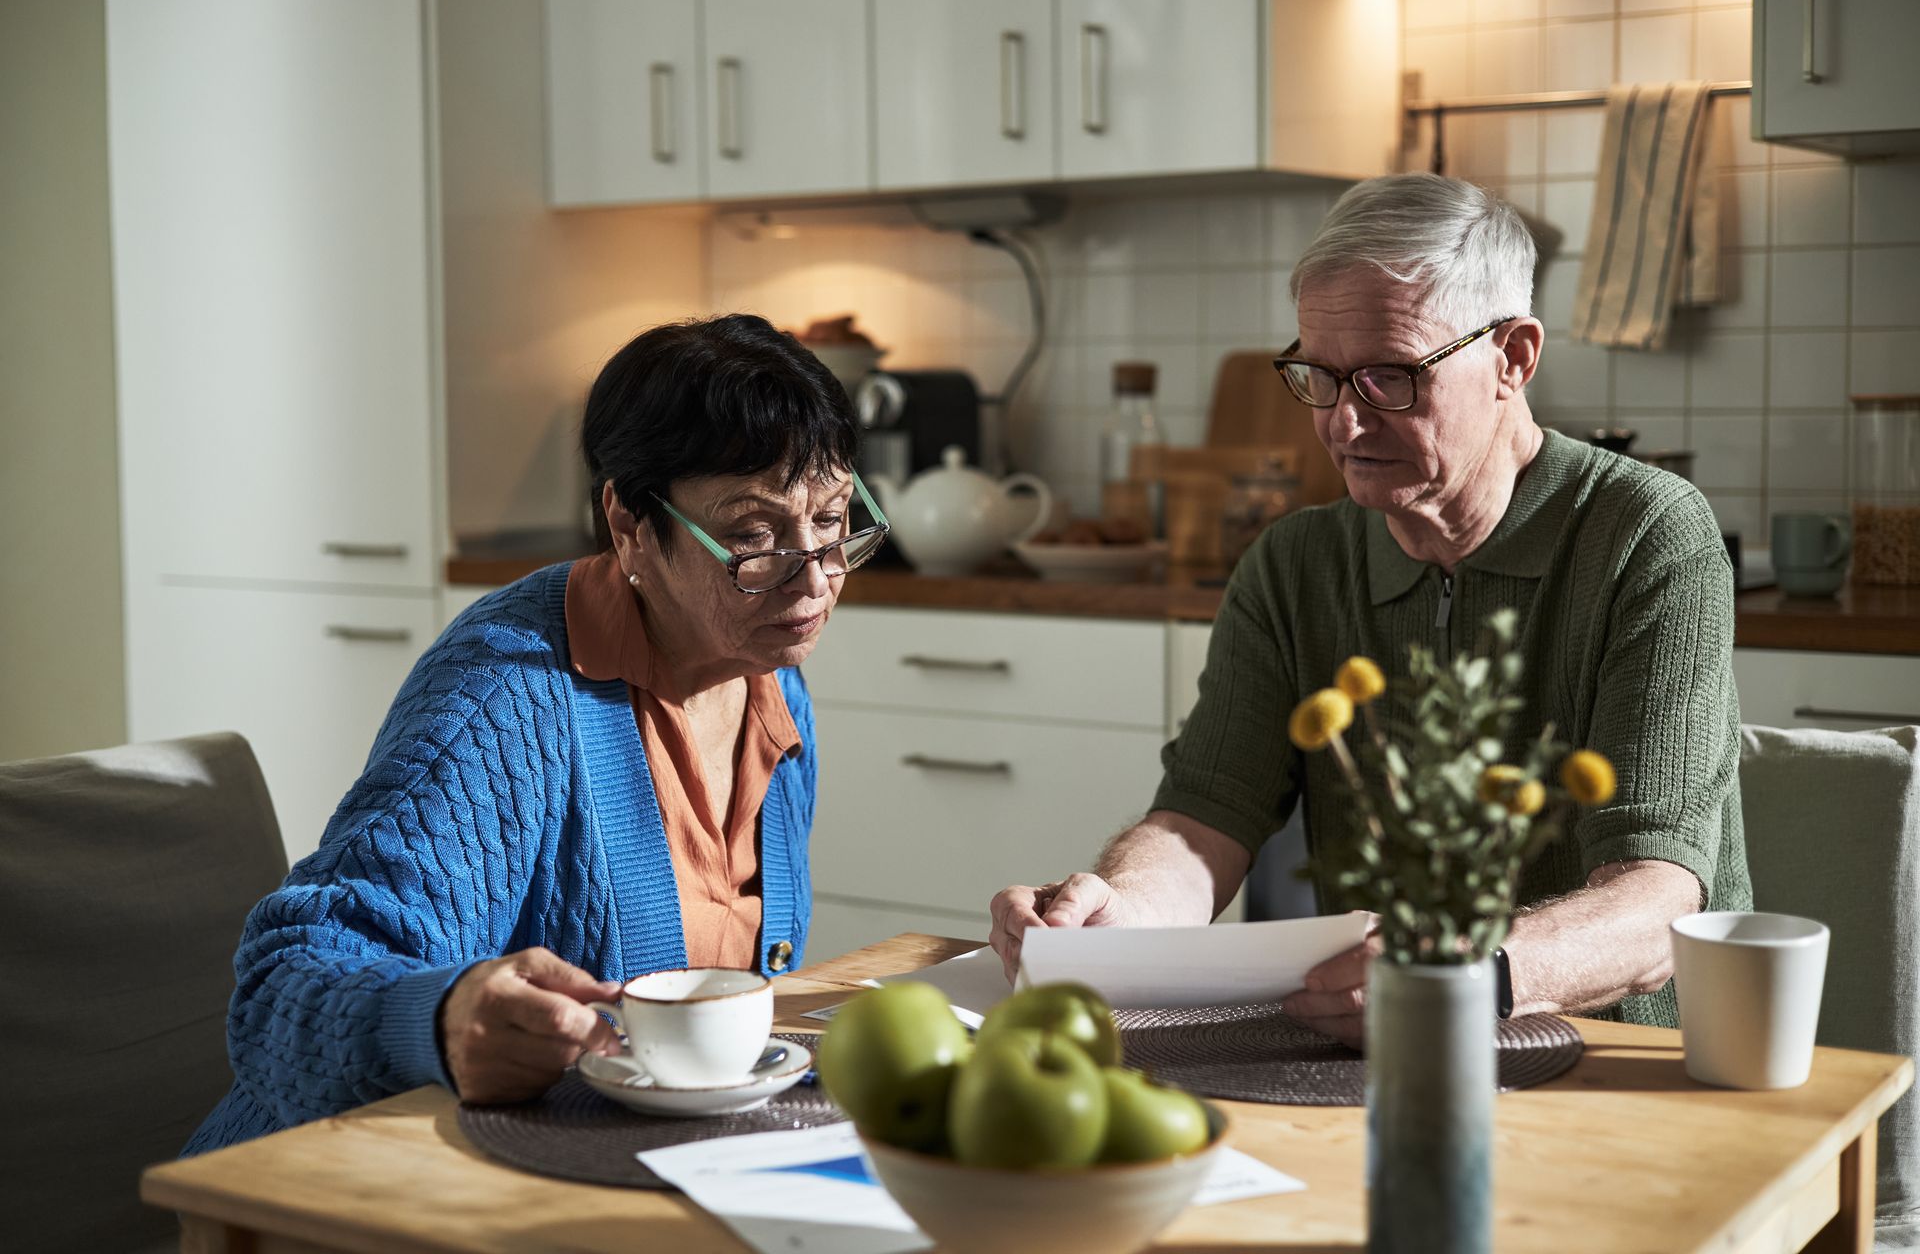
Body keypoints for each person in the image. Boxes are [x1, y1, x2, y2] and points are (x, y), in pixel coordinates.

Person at [990, 175, 1749, 1043]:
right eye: (1321, 375)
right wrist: (1116, 917)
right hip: (1371, 1054)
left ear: (1515, 357)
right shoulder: (1294, 564)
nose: (1344, 425)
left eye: (1391, 377)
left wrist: (1461, 978)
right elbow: (1204, 819)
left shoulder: (1646, 534)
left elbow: (1656, 905)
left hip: (1624, 1060)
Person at [185, 313, 888, 1152]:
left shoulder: (770, 676)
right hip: (338, 1193)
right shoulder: (508, 695)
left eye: (834, 520)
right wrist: (438, 1021)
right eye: (752, 536)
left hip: (605, 1172)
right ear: (630, 525)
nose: (813, 578)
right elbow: (279, 992)